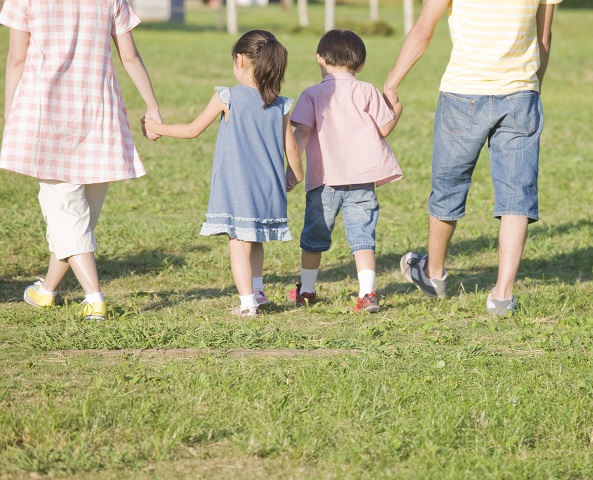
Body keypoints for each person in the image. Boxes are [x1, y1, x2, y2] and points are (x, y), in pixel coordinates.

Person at [384, 0, 561, 316]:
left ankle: (434, 274)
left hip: (462, 94)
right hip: (521, 94)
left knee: (448, 182)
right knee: (516, 193)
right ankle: (502, 296)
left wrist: (391, 83)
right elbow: (543, 39)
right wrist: (532, 89)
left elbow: (425, 28)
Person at [1, 0, 162, 321]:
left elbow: (17, 58)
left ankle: (94, 298)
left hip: (46, 114)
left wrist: (10, 113)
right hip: (98, 115)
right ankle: (46, 291)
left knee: (69, 218)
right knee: (78, 219)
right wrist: (152, 106)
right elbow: (129, 56)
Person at [145, 30, 304, 317]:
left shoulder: (227, 97)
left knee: (238, 244)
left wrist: (156, 128)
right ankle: (257, 292)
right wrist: (296, 175)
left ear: (240, 60)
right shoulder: (280, 104)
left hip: (239, 187)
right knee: (254, 240)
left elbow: (192, 130)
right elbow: (291, 147)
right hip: (268, 187)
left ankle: (247, 304)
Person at [289, 29, 403, 313]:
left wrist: (292, 168)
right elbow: (384, 128)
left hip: (323, 179)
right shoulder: (367, 90)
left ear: (319, 59)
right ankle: (367, 294)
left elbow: (301, 132)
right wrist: (397, 109)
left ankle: (307, 290)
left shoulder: (312, 94)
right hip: (362, 179)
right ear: (361, 65)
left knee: (314, 237)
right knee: (363, 237)